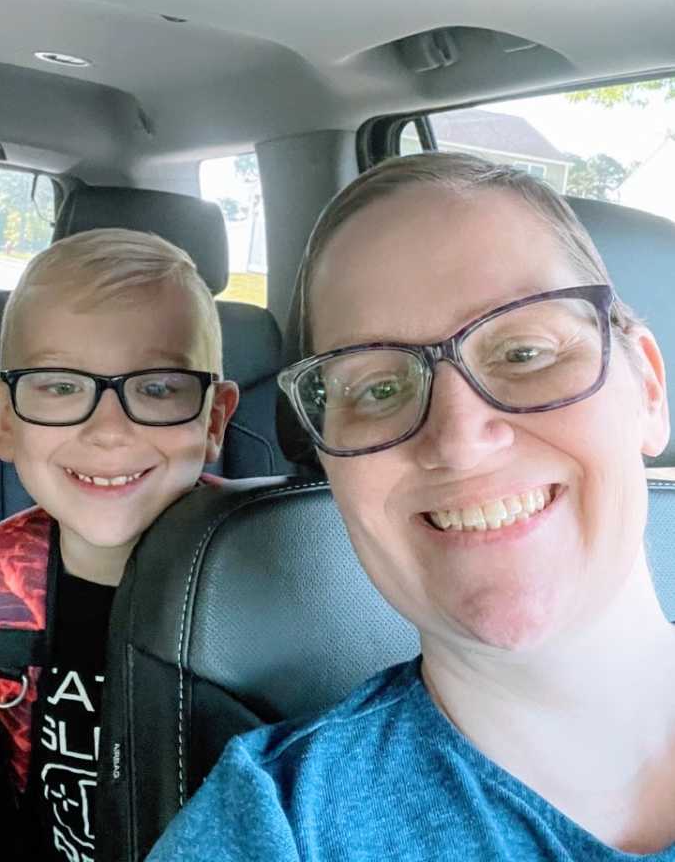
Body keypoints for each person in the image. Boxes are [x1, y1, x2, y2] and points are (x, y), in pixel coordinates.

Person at [148, 151, 675, 860]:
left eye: (523, 352)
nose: (458, 441)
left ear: (646, 388)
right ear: (329, 464)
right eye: (376, 388)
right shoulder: (279, 826)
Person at [0, 228, 238, 862]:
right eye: (59, 385)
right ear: (3, 418)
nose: (109, 431)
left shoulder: (271, 569)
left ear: (213, 418)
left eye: (159, 387)